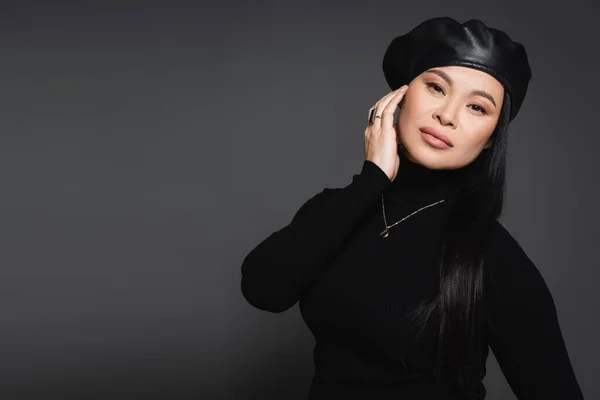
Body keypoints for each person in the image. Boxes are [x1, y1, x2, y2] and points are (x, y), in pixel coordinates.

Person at [240, 17, 584, 400]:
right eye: (437, 87)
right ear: (400, 96)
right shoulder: (338, 209)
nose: (448, 115)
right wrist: (371, 180)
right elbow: (262, 289)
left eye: (477, 107)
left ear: (490, 140)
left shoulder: (492, 258)